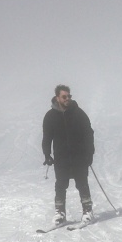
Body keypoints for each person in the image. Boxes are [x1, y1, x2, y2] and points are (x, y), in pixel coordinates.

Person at [42, 85, 95, 225]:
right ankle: (60, 214)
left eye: (69, 96)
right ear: (57, 97)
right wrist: (47, 154)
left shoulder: (78, 113)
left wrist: (89, 153)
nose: (67, 99)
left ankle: (88, 211)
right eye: (64, 97)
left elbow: (89, 133)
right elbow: (47, 137)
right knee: (60, 185)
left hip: (79, 156)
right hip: (61, 157)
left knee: (82, 183)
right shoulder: (50, 116)